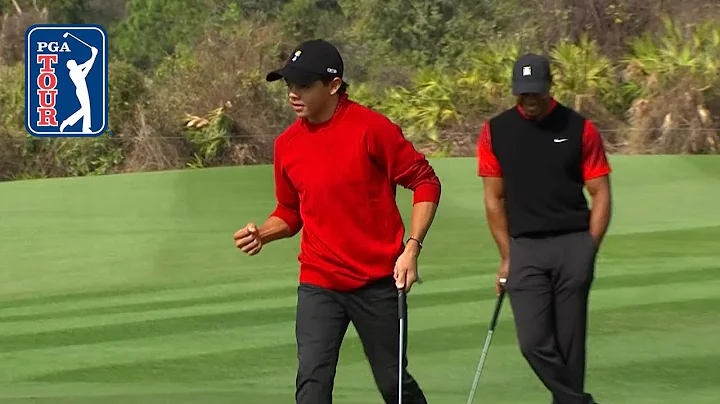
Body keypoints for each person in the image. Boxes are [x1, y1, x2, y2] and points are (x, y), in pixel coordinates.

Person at [233, 39, 441, 404]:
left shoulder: (371, 129)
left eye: (303, 86)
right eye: (289, 85)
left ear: (333, 86)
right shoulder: (287, 144)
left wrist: (412, 248)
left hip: (377, 281)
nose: (293, 94)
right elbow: (290, 211)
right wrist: (262, 233)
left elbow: (425, 181)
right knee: (311, 385)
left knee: (393, 384)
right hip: (319, 282)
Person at [477, 53, 612, 404]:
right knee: (533, 342)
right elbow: (493, 199)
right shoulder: (495, 132)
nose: (529, 98)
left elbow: (600, 193)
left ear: (550, 86)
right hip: (525, 248)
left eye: (535, 91)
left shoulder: (579, 128)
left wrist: (588, 248)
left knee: (570, 347)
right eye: (523, 92)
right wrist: (506, 256)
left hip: (572, 244)